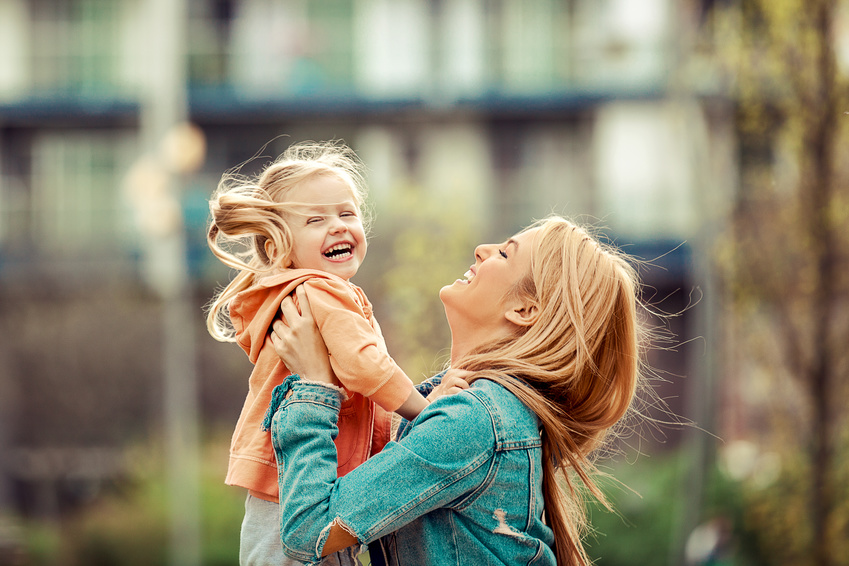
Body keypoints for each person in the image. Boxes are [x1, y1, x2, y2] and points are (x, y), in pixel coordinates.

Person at [266, 216, 645, 566]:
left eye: (503, 253)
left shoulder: (474, 421)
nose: (482, 248)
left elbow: (310, 531)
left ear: (525, 310)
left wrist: (315, 386)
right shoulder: (463, 407)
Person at [206, 140, 429, 566]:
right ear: (277, 247)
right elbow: (364, 365)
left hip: (285, 485)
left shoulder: (295, 291)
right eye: (315, 219)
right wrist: (426, 409)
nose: (339, 226)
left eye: (347, 213)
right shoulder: (323, 289)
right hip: (303, 488)